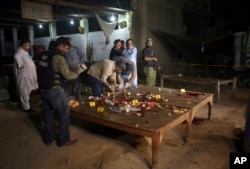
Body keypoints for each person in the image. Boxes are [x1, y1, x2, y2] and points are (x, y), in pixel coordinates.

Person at [36, 37, 86, 147]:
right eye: (66, 48)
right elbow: (68, 76)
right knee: (63, 115)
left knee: (48, 115)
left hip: (43, 89)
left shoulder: (43, 55)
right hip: (55, 91)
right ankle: (64, 140)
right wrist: (79, 71)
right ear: (61, 46)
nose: (67, 51)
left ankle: (49, 139)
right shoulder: (58, 57)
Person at [13, 39, 38, 112]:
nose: (29, 47)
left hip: (29, 76)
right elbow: (20, 65)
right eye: (28, 45)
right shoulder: (18, 53)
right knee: (24, 91)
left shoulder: (25, 53)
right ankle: (26, 108)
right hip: (24, 77)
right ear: (24, 44)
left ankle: (28, 105)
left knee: (29, 92)